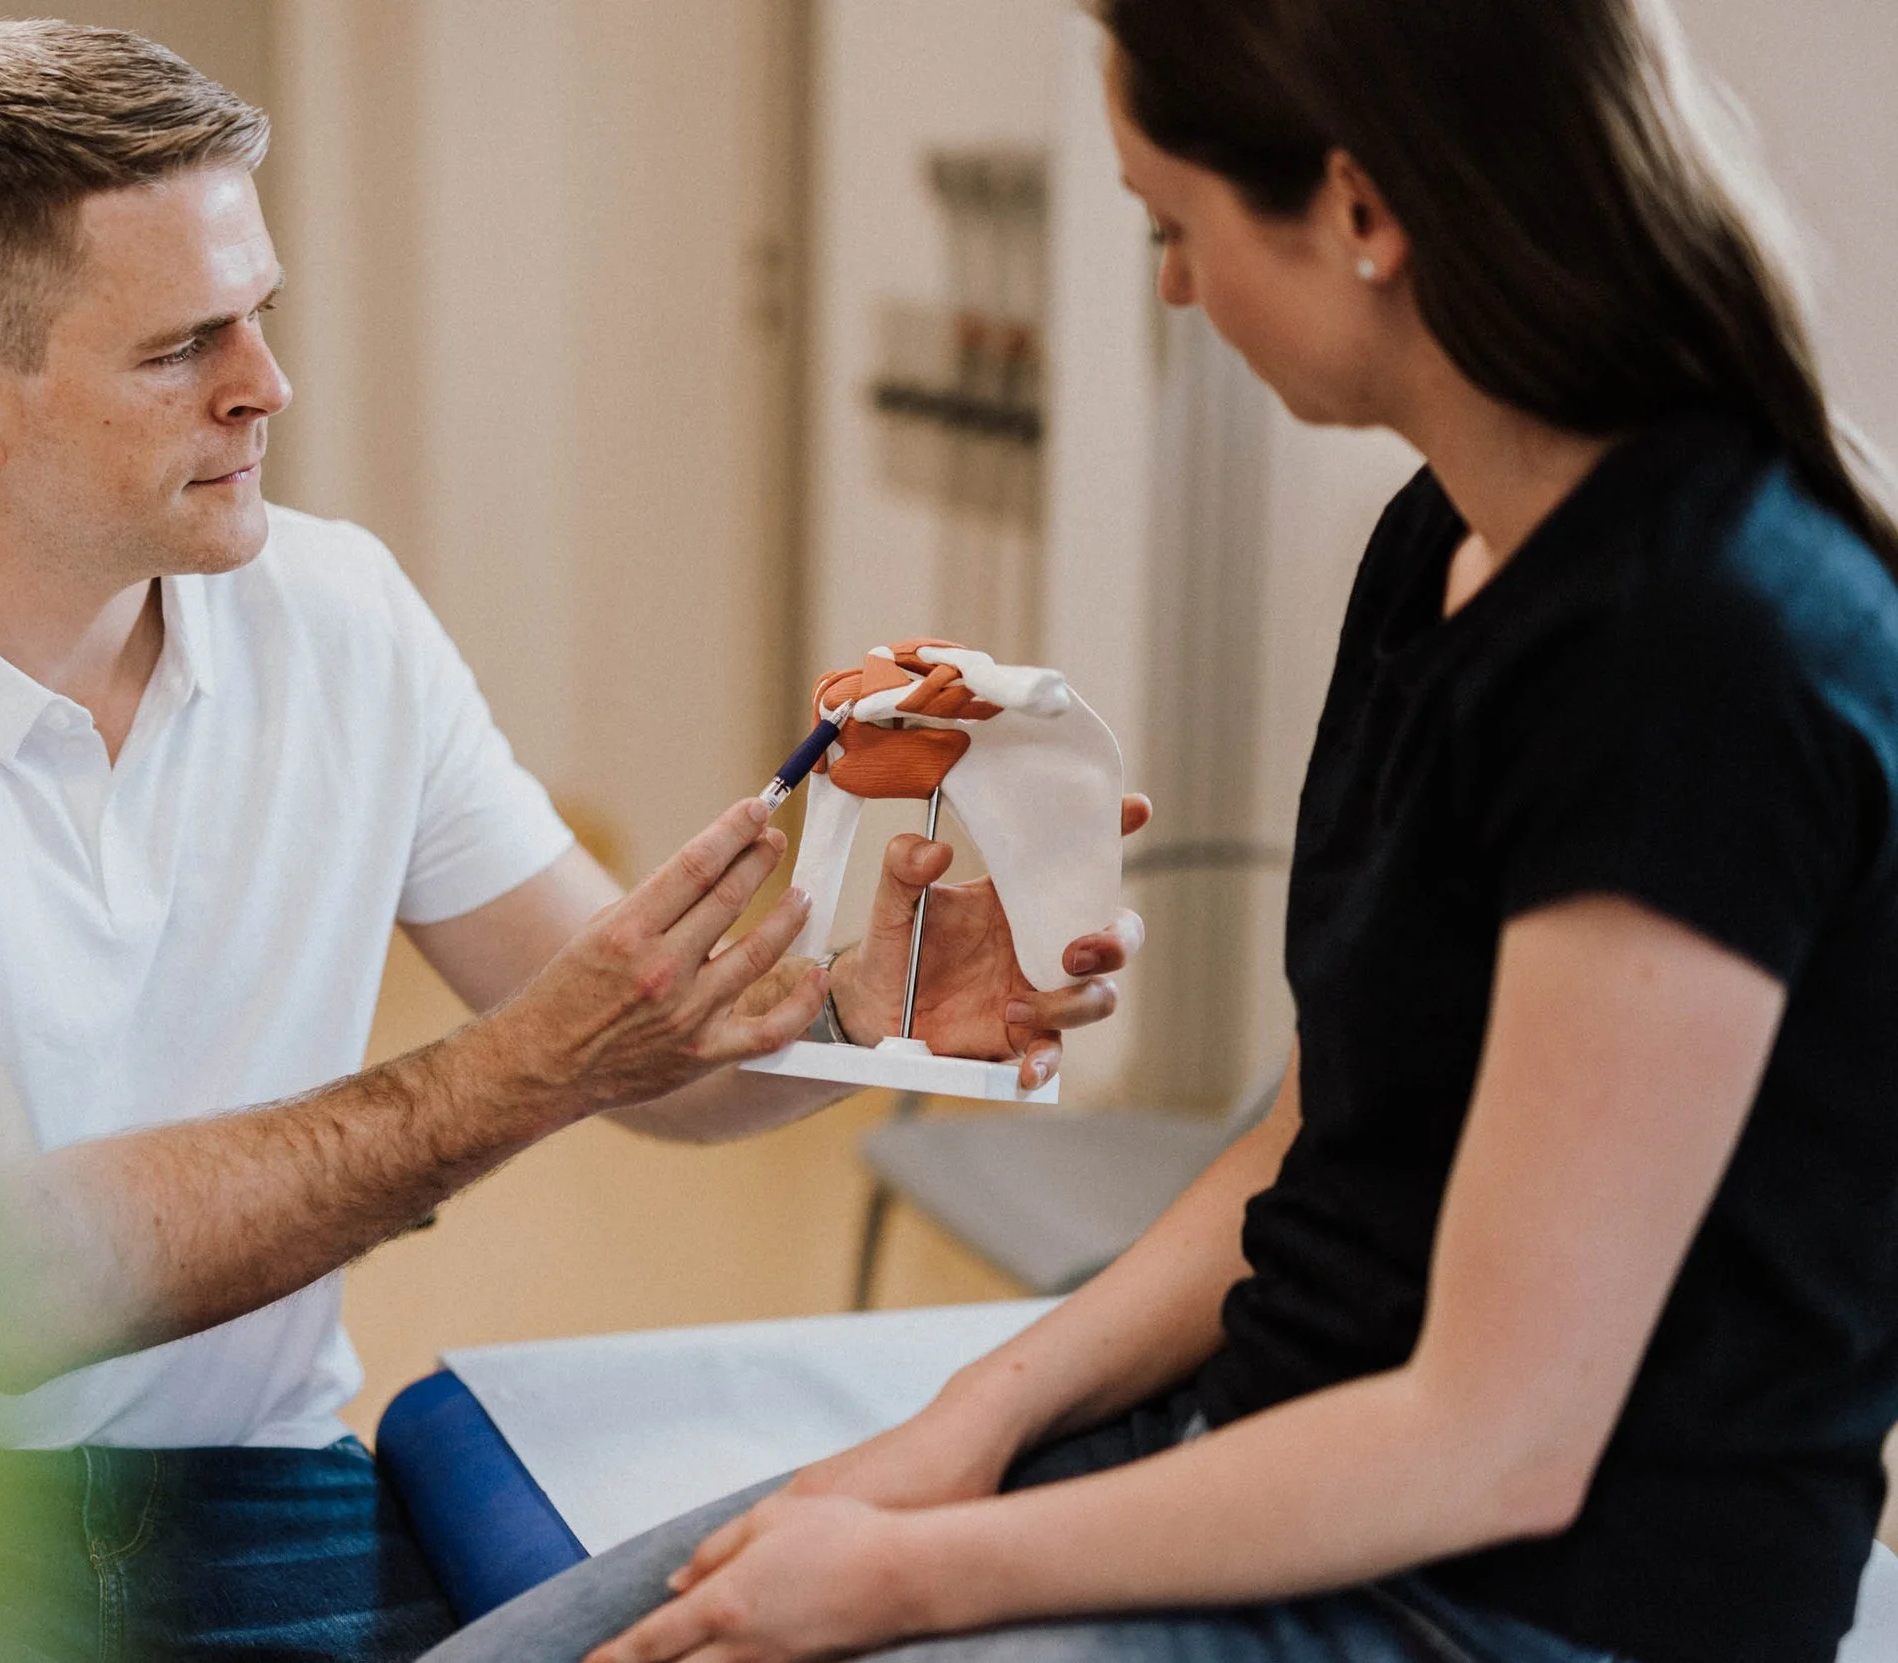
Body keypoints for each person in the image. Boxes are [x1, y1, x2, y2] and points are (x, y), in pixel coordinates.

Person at [0, 20, 1147, 1663]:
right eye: (185, 343)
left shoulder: (337, 617)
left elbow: (660, 1062)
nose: (268, 384)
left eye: (260, 311)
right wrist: (528, 1068)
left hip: (248, 1484)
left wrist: (868, 1011)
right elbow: (6, 1289)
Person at [432, 1, 1898, 1660]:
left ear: (1360, 211)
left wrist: (911, 1577)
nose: (1175, 290)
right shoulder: (1446, 540)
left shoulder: (1694, 649)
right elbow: (1311, 1139)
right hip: (1271, 1444)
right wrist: (966, 1422)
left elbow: (1502, 1436)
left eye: (1171, 226)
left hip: (1515, 1600)